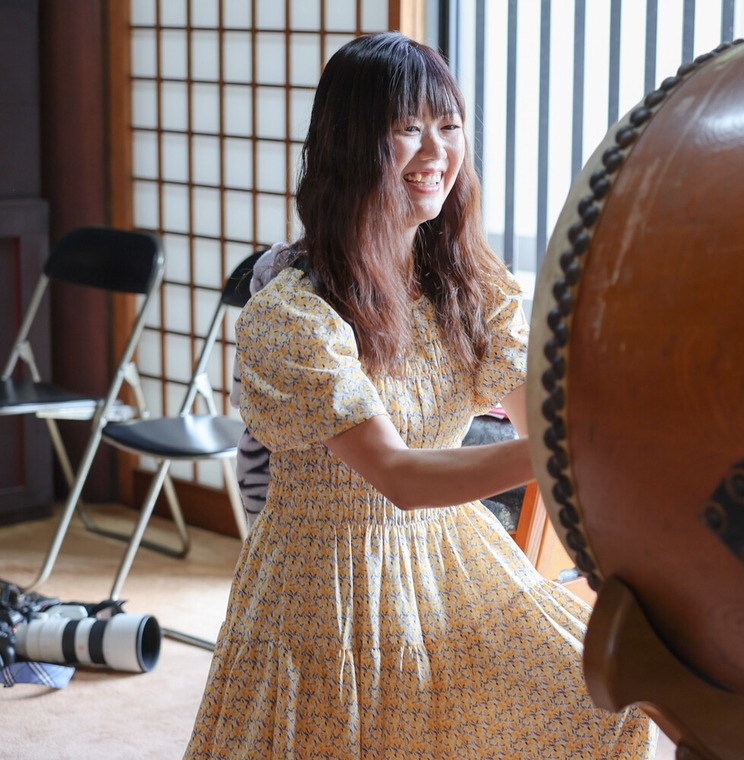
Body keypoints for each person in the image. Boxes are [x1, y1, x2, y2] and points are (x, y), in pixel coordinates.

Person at [184, 31, 659, 759]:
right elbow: (400, 476)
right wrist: (562, 451)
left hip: (449, 555)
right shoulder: (292, 314)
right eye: (406, 129)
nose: (435, 151)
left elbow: (538, 413)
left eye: (449, 126)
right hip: (327, 580)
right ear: (351, 146)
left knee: (601, 696)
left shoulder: (470, 288)